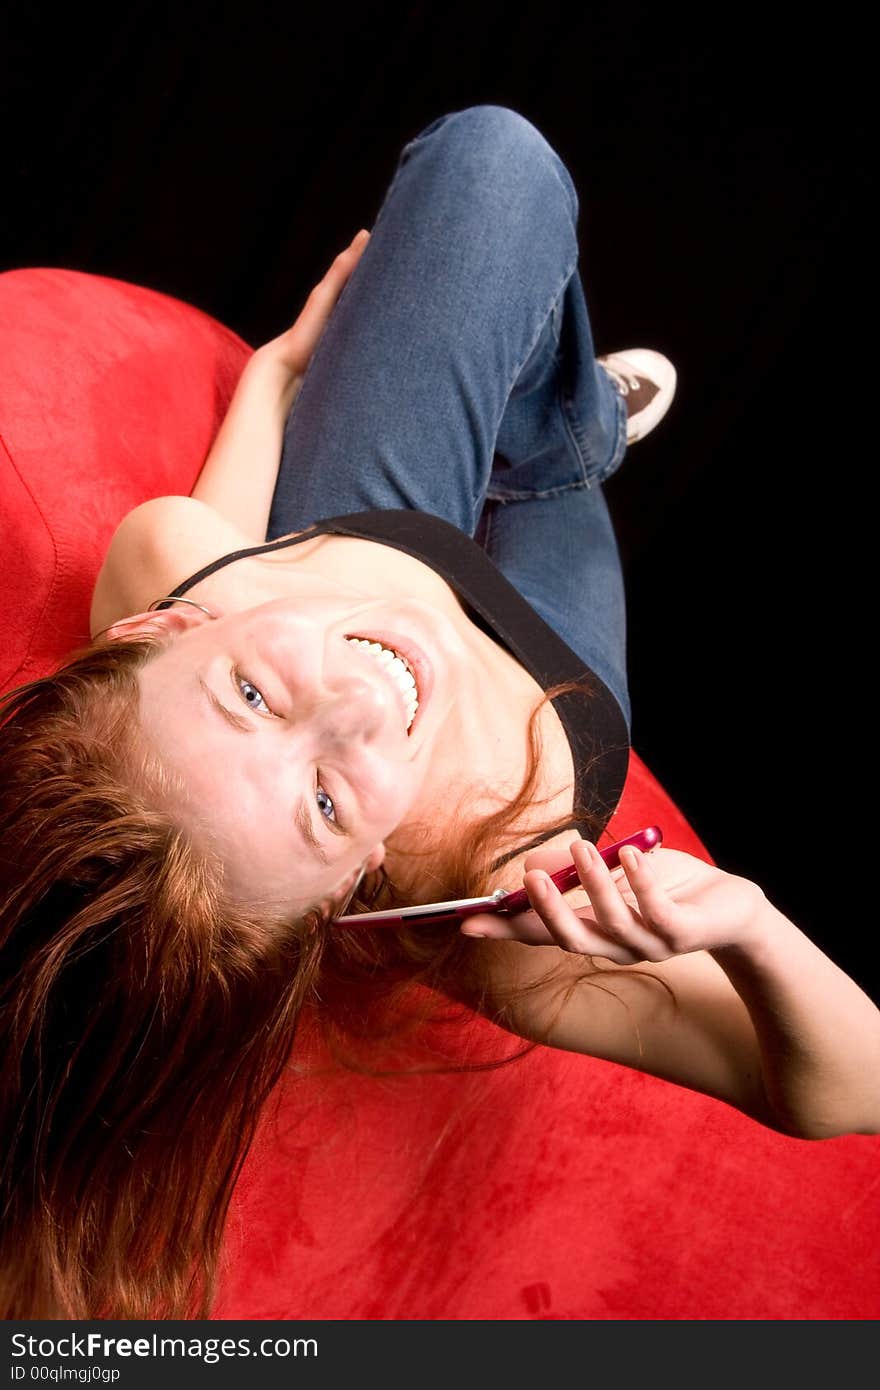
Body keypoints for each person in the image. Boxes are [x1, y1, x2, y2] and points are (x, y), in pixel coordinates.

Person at [2, 105, 878, 1321]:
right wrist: (752, 929)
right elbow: (847, 1089)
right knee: (560, 473)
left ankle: (545, 426)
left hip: (382, 531)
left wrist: (276, 370)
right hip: (558, 671)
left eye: (252, 696)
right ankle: (561, 448)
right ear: (348, 887)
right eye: (321, 803)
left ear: (166, 629)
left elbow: (222, 521)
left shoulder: (172, 566)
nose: (362, 706)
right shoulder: (463, 909)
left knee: (494, 161)